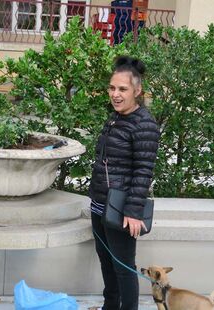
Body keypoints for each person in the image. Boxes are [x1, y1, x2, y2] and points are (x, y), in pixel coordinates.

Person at [89, 56, 160, 310]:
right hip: (100, 204)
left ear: (137, 90)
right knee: (106, 263)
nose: (115, 95)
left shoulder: (144, 124)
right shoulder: (115, 118)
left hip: (121, 209)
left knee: (123, 268)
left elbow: (143, 171)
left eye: (122, 89)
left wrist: (132, 211)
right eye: (112, 88)